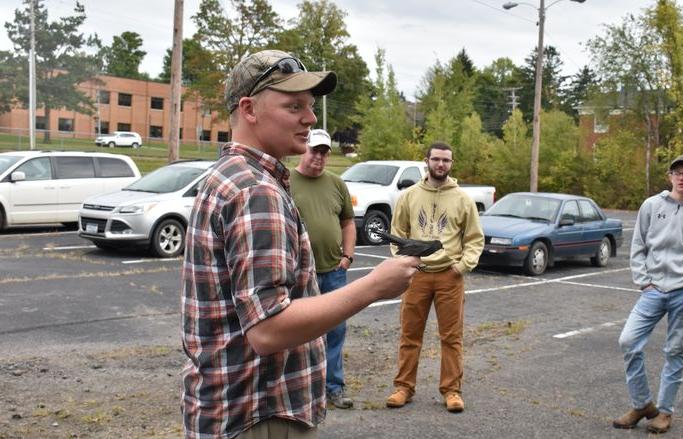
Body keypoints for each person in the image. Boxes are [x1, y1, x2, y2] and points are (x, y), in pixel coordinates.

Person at [180, 49, 419, 439]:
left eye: (310, 106)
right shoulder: (256, 191)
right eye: (294, 106)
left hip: (232, 410)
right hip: (261, 414)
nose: (310, 118)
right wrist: (375, 285)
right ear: (249, 109)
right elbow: (268, 330)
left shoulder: (229, 176)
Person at [612, 155, 683, 434]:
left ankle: (665, 412)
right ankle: (643, 404)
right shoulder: (651, 206)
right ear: (670, 177)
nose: (682, 177)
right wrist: (644, 282)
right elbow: (638, 246)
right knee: (628, 341)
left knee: (675, 350)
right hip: (653, 290)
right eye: (677, 172)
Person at [385, 142, 485, 413]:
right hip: (417, 277)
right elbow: (398, 233)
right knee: (410, 334)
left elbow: (475, 239)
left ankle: (452, 391)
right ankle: (403, 387)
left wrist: (462, 266)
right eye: (436, 159)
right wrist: (406, 262)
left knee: (451, 337)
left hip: (449, 277)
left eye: (446, 161)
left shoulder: (462, 199)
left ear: (451, 164)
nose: (441, 164)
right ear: (426, 161)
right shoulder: (409, 196)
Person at [290, 128, 356, 409]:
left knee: (335, 330)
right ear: (304, 148)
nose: (319, 156)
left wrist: (348, 257)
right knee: (298, 332)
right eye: (315, 149)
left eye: (324, 152)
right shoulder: (285, 180)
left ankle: (333, 388)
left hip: (333, 271)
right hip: (299, 274)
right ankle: (300, 389)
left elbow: (348, 223)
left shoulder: (337, 183)